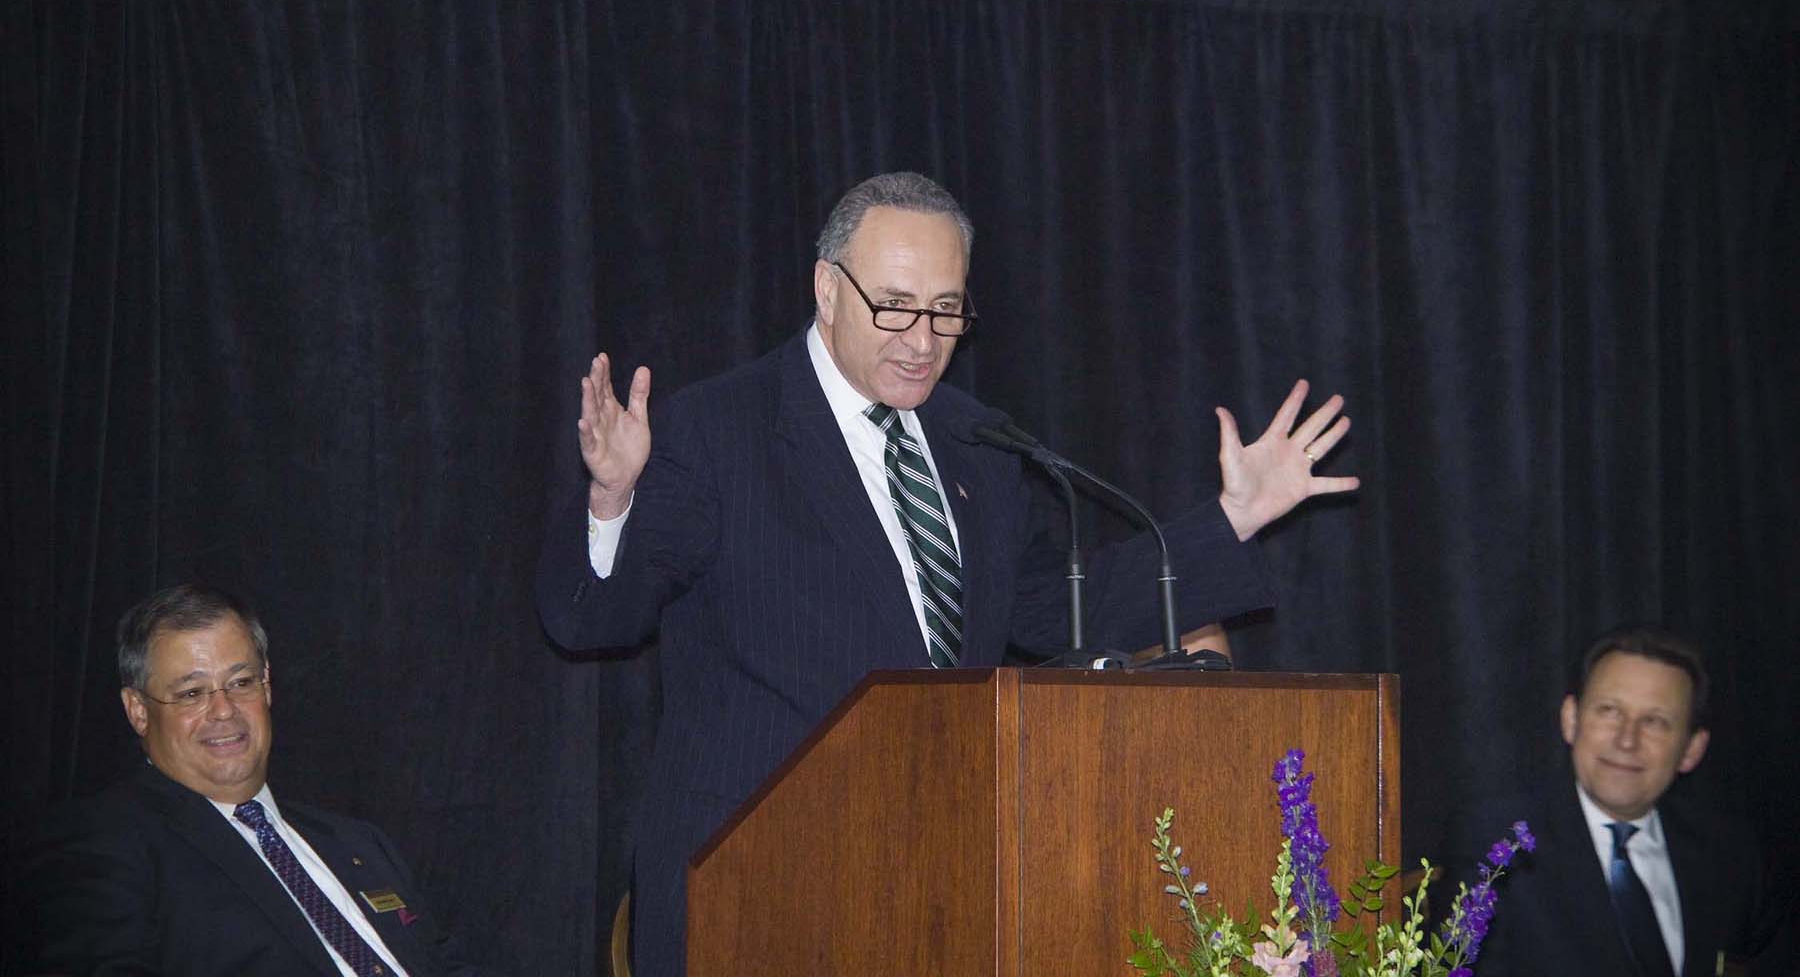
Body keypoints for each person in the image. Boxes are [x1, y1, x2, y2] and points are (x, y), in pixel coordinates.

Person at [536, 171, 1359, 976]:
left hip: (939, 887)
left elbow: (1052, 613)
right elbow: (593, 620)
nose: (923, 341)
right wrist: (612, 500)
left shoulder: (976, 442)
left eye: (946, 311)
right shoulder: (721, 429)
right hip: (759, 889)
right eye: (894, 306)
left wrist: (1235, 519)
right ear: (827, 289)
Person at [16, 583, 486, 977]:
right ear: (138, 710)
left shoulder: (357, 841)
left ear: (267, 684)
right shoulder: (102, 843)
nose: (223, 710)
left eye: (240, 683)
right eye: (192, 693)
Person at [1447, 624, 1784, 976]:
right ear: (1571, 720)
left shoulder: (1729, 854)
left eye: (1654, 721)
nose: (1627, 740)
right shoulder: (1497, 845)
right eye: (1609, 711)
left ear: (1691, 749)